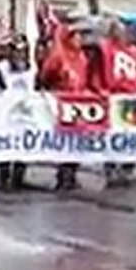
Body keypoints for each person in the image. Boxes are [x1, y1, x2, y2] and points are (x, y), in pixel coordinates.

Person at [41, 24, 90, 191]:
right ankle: (63, 174)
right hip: (62, 103)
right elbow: (46, 75)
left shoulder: (82, 57)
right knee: (65, 140)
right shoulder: (58, 56)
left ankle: (73, 172)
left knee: (78, 142)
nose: (79, 40)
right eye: (76, 37)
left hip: (79, 104)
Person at [99, 21, 136, 188]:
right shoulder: (106, 48)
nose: (120, 35)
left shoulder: (133, 52)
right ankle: (111, 169)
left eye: (121, 31)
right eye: (117, 31)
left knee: (131, 137)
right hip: (116, 97)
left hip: (133, 97)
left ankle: (126, 169)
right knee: (113, 136)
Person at [0, 35, 35, 190]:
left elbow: (37, 85)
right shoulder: (0, 66)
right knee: (5, 145)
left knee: (24, 147)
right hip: (6, 114)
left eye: (23, 51)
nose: (19, 55)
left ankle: (18, 177)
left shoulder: (31, 68)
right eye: (17, 51)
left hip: (25, 114)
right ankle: (4, 175)